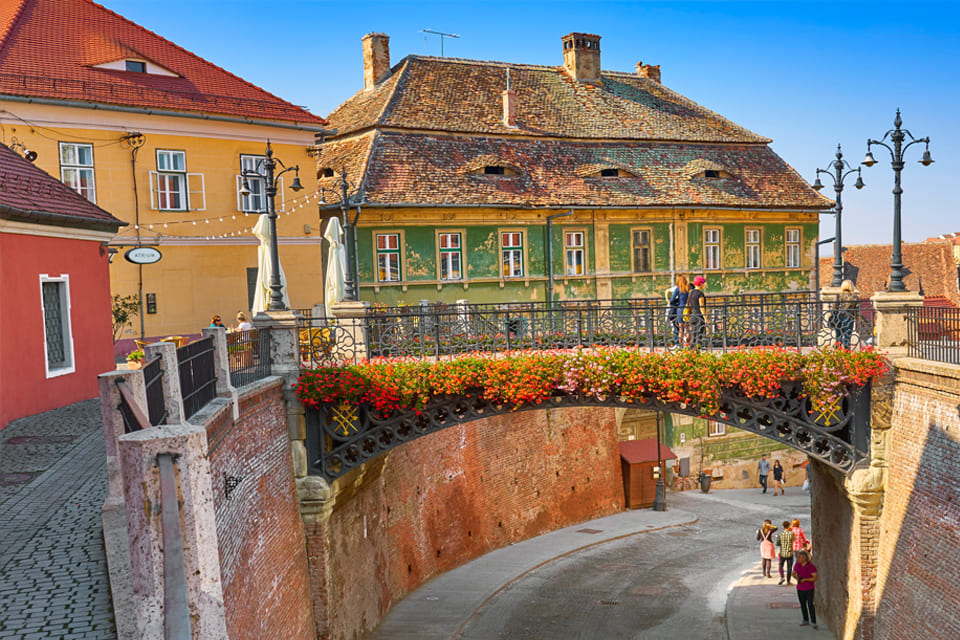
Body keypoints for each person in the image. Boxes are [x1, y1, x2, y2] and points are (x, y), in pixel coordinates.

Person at [791, 550, 818, 628]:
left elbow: (815, 577)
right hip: (800, 588)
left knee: (810, 604)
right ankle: (805, 619)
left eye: (799, 557)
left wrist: (805, 579)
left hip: (809, 588)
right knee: (803, 604)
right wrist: (797, 578)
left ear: (804, 558)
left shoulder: (811, 567)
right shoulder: (797, 565)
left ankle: (813, 621)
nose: (798, 559)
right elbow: (793, 573)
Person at [833, 279, 859, 348]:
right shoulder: (854, 297)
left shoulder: (839, 296)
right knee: (847, 337)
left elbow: (834, 307)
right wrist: (857, 319)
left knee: (838, 336)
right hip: (849, 318)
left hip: (838, 318)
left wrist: (832, 316)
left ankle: (838, 353)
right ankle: (846, 352)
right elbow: (857, 309)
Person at [667, 275, 690, 348]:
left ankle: (680, 345)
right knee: (687, 328)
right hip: (688, 309)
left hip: (680, 309)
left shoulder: (678, 289)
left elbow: (672, 299)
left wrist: (671, 301)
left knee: (681, 328)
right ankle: (688, 344)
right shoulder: (689, 288)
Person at [685, 275, 706, 347]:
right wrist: (706, 318)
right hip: (699, 316)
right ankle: (697, 349)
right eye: (703, 283)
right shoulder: (700, 294)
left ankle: (691, 350)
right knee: (699, 335)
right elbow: (701, 307)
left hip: (692, 316)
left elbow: (688, 304)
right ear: (701, 284)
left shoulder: (691, 292)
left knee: (693, 334)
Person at [776, 520, 795, 585]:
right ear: (789, 526)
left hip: (782, 552)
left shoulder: (780, 534)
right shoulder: (791, 534)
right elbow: (793, 540)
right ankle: (788, 581)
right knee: (789, 567)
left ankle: (782, 577)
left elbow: (777, 543)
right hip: (790, 552)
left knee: (781, 565)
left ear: (783, 526)